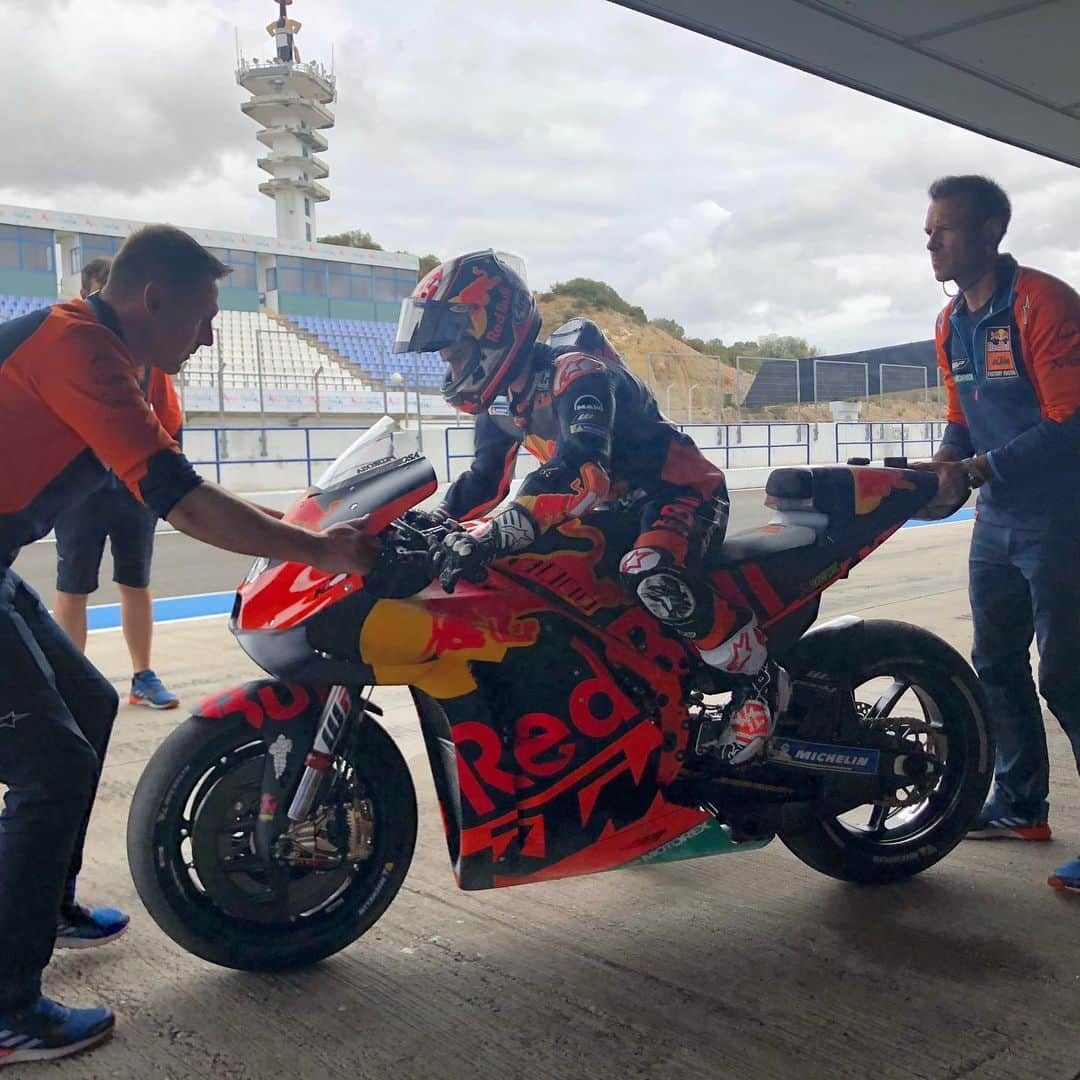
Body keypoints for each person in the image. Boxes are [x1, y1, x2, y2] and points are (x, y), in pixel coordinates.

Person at [0, 225, 373, 1065]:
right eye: (203, 315)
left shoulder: (127, 366)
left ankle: (37, 905)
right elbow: (184, 505)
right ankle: (5, 1008)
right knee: (48, 765)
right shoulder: (79, 348)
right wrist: (318, 551)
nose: (209, 335)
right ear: (151, 299)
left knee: (92, 702)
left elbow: (187, 479)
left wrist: (301, 523)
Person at [394, 249, 788, 766]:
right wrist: (425, 522)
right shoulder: (500, 404)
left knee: (650, 572)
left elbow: (583, 466)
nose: (448, 360)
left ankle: (758, 678)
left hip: (678, 492)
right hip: (608, 510)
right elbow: (483, 483)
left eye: (452, 346)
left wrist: (492, 532)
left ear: (492, 326)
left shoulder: (576, 372)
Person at [919, 175, 1080, 895]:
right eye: (928, 230)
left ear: (990, 232)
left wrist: (979, 467)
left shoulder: (1043, 304)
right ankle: (1020, 807)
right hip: (996, 523)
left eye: (945, 229)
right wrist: (950, 457)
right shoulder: (951, 323)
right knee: (997, 665)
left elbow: (1071, 421)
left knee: (1068, 677)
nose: (931, 241)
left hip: (1063, 521)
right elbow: (961, 413)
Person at [53, 256, 181, 710]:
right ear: (87, 293)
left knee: (136, 582)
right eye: (101, 292)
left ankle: (143, 676)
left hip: (133, 489)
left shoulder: (148, 360)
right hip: (80, 491)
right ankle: (70, 683)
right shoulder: (71, 345)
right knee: (73, 586)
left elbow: (169, 422)